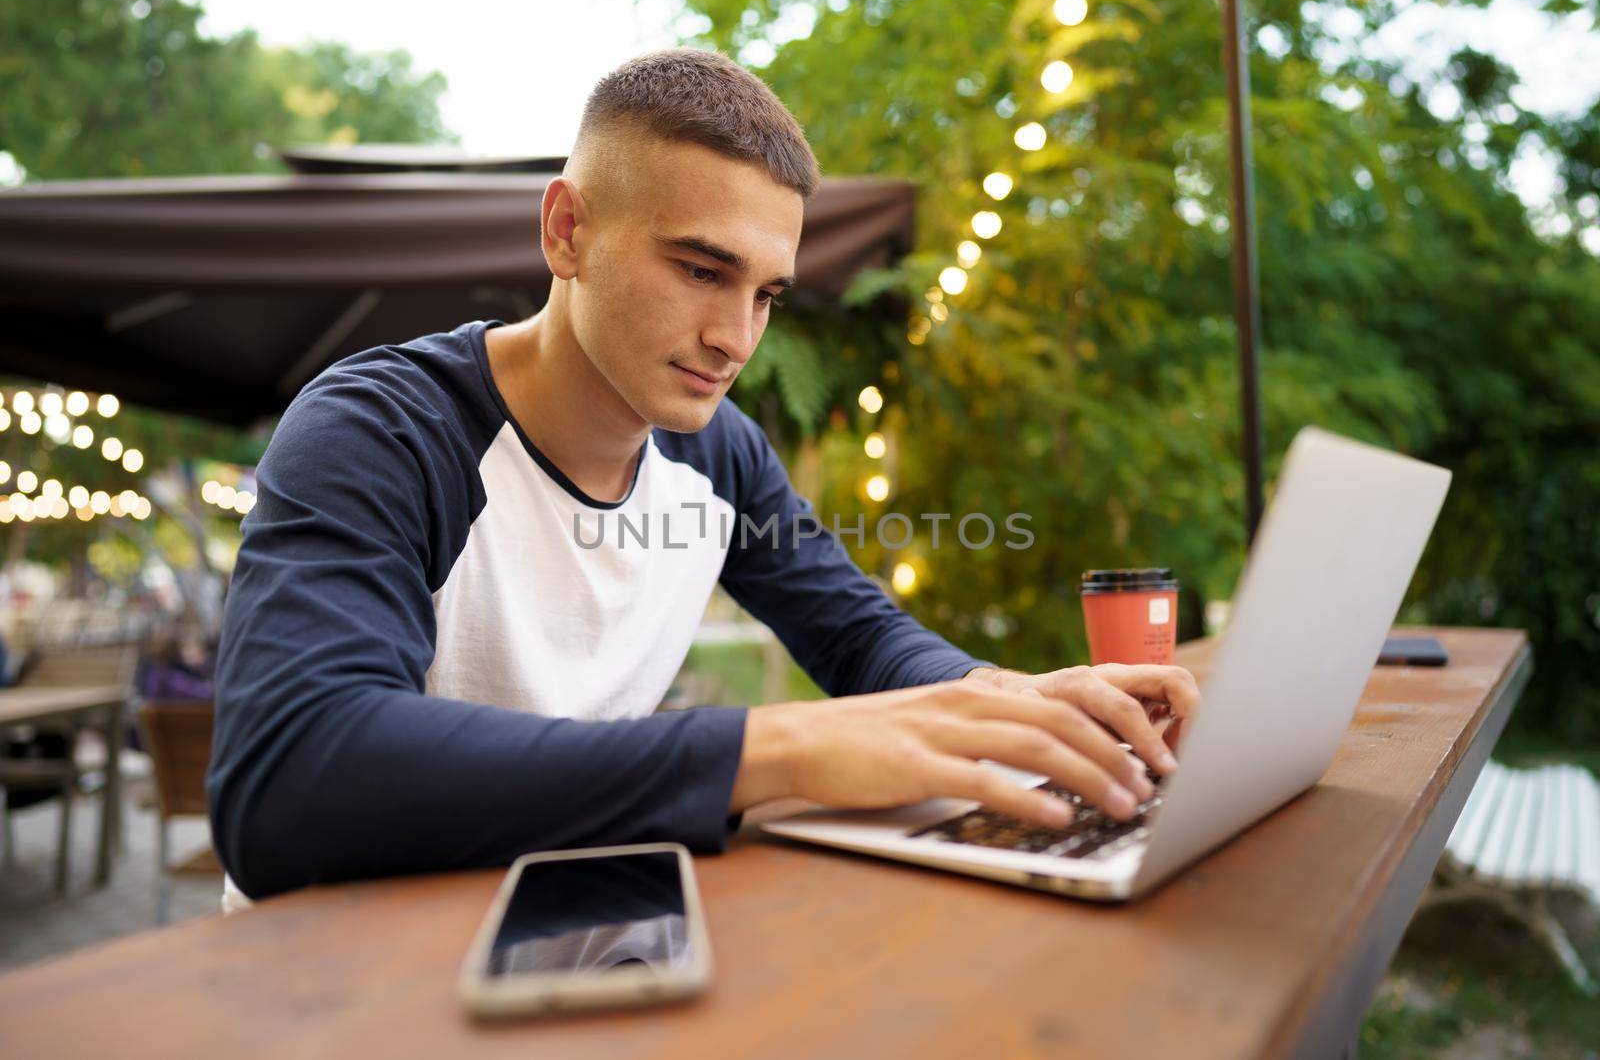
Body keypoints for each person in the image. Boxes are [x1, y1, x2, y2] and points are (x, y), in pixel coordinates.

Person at [208, 49, 1200, 907]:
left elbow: (857, 635)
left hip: (567, 935)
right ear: (566, 231)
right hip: (335, 982)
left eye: (765, 293)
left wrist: (1008, 701)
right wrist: (768, 751)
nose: (736, 339)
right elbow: (288, 780)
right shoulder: (381, 430)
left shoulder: (717, 449)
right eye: (699, 270)